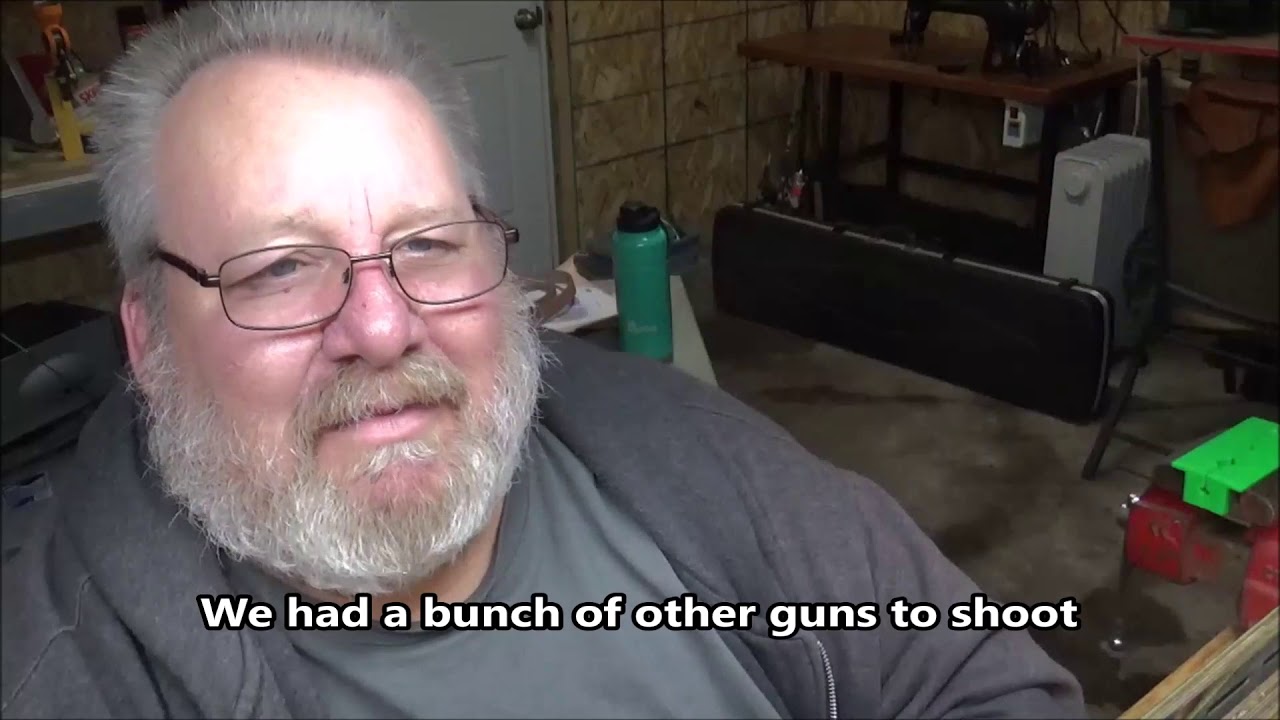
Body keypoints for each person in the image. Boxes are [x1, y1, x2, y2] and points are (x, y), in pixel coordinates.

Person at [1, 2, 1086, 717]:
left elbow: (981, 678)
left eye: (429, 244)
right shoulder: (63, 675)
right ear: (148, 341)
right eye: (280, 267)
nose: (381, 327)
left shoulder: (678, 448)